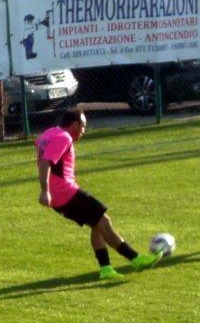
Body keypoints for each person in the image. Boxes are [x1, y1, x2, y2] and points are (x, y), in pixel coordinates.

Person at [35, 108, 163, 280]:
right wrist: (45, 191)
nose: (84, 130)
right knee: (104, 221)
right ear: (74, 124)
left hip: (59, 194)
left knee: (96, 224)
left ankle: (106, 269)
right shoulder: (63, 138)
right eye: (83, 126)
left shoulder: (50, 133)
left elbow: (40, 148)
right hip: (65, 192)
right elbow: (45, 163)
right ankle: (135, 258)